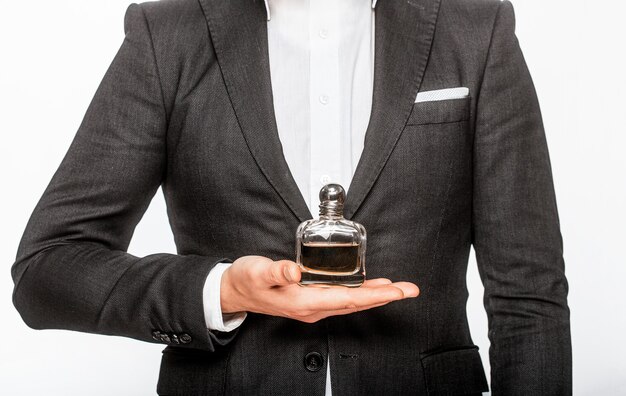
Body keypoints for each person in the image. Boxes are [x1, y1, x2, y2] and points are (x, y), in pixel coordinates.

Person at [11, 0, 572, 394]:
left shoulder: (476, 30)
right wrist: (222, 289)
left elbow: (528, 291)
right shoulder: (169, 35)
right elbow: (47, 270)